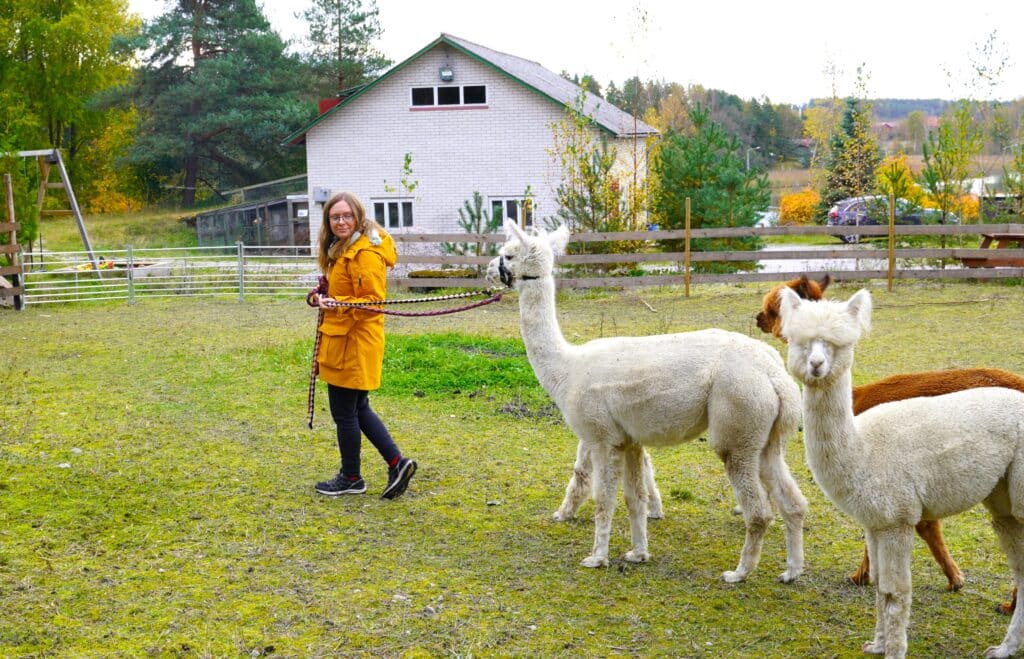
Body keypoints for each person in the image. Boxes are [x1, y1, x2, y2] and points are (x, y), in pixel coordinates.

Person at [307, 191, 416, 499]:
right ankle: (397, 462)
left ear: (357, 217)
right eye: (334, 217)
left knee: (345, 413)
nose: (340, 221)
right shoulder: (345, 248)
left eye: (346, 216)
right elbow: (338, 288)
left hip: (353, 342)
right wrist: (321, 295)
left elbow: (371, 302)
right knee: (357, 408)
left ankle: (352, 477)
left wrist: (334, 304)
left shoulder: (364, 253)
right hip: (345, 339)